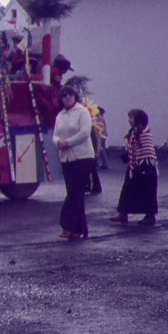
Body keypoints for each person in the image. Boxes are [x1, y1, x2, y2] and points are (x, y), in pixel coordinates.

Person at [53, 85, 95, 239]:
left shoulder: (82, 112)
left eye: (70, 95)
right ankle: (79, 229)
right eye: (64, 96)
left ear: (75, 96)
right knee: (75, 194)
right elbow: (55, 134)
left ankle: (67, 226)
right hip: (66, 158)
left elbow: (84, 133)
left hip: (83, 157)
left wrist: (68, 142)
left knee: (74, 192)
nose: (67, 98)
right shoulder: (60, 116)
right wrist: (58, 142)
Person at [111, 109, 159, 226]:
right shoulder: (134, 131)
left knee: (147, 191)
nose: (129, 120)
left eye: (131, 118)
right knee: (127, 189)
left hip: (146, 166)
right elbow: (133, 148)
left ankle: (150, 216)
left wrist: (141, 164)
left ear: (138, 119)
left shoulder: (144, 132)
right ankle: (123, 213)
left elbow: (146, 150)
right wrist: (128, 157)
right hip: (134, 166)